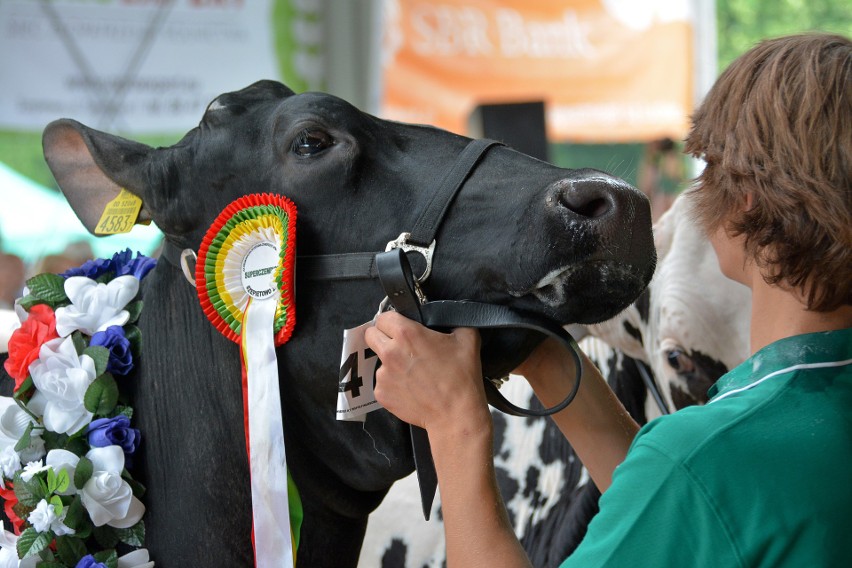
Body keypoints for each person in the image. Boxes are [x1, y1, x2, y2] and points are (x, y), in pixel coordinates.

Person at [364, 32, 851, 567]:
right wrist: (548, 356)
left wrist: (454, 423)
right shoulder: (786, 435)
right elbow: (691, 521)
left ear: (746, 199)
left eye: (709, 168)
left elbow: (697, 490)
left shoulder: (714, 460)